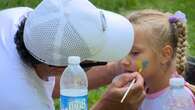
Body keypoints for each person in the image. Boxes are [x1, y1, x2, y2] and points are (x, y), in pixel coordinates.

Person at [0, 0, 144, 109]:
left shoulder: (20, 18)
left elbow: (44, 81)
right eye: (95, 61)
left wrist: (115, 70)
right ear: (58, 68)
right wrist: (107, 106)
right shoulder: (25, 104)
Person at [95, 9, 195, 110]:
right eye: (124, 51)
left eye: (134, 53)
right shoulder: (136, 95)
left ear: (165, 54)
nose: (124, 61)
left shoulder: (178, 101)